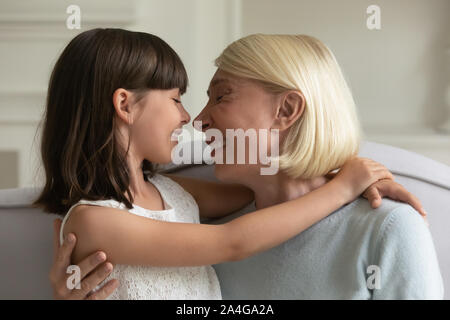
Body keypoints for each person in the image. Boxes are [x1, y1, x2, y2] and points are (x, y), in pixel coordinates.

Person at [39, 29, 426, 300]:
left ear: (287, 109)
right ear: (124, 106)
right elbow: (234, 242)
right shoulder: (215, 227)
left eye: (221, 97)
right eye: (177, 100)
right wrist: (343, 185)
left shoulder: (388, 228)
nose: (195, 118)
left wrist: (342, 175)